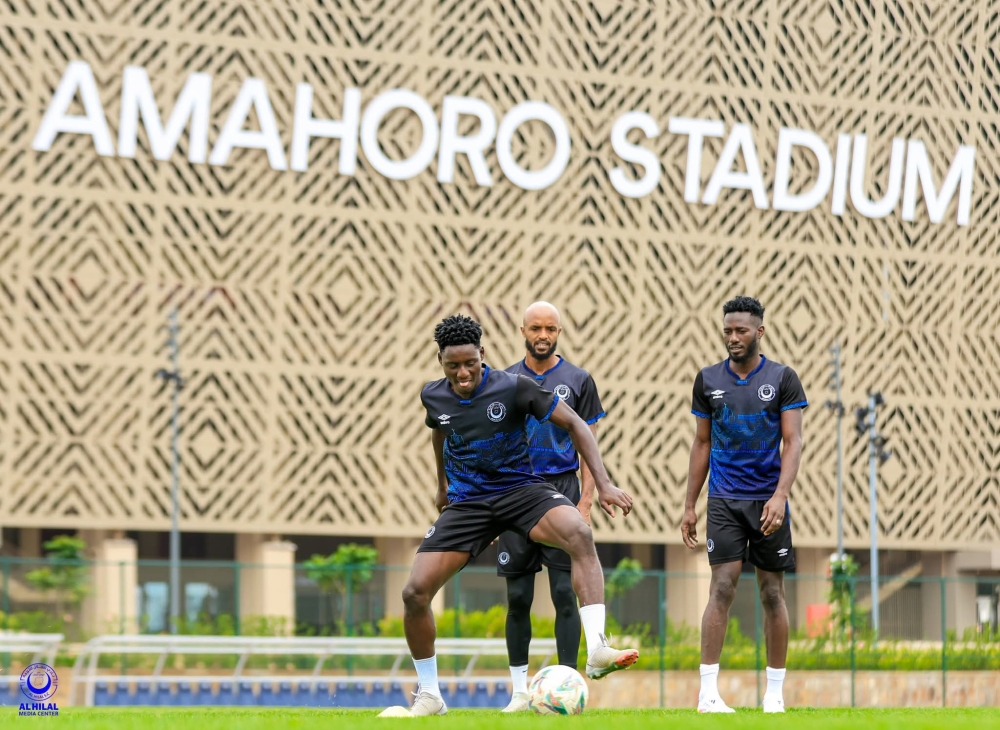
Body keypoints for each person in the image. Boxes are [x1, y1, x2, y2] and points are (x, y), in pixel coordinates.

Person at [400, 314, 638, 716]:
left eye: (470, 363)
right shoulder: (433, 396)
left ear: (483, 355)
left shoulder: (514, 387)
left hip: (519, 491)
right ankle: (429, 695)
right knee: (414, 593)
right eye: (452, 365)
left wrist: (605, 483)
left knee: (579, 533)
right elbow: (439, 430)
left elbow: (578, 424)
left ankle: (596, 648)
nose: (463, 373)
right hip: (469, 503)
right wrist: (441, 486)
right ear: (439, 359)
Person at [680, 296, 807, 714]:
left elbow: (793, 441)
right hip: (724, 499)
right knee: (721, 586)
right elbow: (702, 443)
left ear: (759, 332)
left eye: (741, 331)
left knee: (773, 593)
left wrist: (780, 497)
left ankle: (773, 695)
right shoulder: (707, 379)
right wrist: (689, 505)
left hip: (769, 503)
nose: (733, 338)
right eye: (728, 331)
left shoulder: (783, 378)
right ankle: (708, 695)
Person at [497, 301, 606, 713]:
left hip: (562, 490)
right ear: (523, 330)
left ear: (559, 332)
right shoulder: (505, 380)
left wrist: (587, 499)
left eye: (551, 329)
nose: (543, 335)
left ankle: (568, 684)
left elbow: (587, 442)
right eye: (536, 328)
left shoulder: (578, 380)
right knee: (518, 598)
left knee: (564, 593)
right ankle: (519, 693)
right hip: (514, 491)